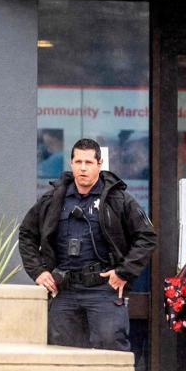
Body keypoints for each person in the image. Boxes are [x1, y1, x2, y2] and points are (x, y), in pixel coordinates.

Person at [19, 138, 157, 351]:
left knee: (110, 353)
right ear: (71, 164)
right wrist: (38, 271)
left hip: (103, 289)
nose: (83, 168)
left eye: (89, 162)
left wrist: (124, 272)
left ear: (99, 164)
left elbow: (147, 236)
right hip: (63, 290)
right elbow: (27, 234)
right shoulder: (54, 199)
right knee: (62, 357)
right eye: (78, 162)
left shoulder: (117, 199)